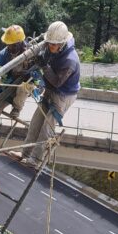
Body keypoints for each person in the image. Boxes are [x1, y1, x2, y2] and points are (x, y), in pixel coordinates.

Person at [19, 20, 80, 165]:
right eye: (48, 43)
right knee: (35, 123)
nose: (49, 46)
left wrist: (44, 66)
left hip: (63, 95)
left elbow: (57, 82)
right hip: (51, 89)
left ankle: (36, 159)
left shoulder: (70, 61)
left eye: (52, 44)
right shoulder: (52, 48)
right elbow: (43, 63)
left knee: (46, 129)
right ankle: (25, 153)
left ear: (62, 44)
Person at [0, 25, 33, 141]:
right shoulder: (5, 53)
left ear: (19, 43)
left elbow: (38, 74)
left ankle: (17, 108)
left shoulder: (31, 53)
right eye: (7, 44)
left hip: (22, 86)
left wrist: (33, 78)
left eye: (11, 45)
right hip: (8, 85)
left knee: (24, 88)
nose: (8, 47)